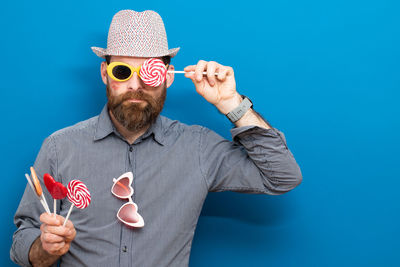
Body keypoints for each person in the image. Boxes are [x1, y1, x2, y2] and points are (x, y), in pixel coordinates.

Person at [11, 9, 302, 267]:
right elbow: (22, 244)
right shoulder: (61, 148)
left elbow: (281, 177)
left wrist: (231, 103)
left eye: (149, 73)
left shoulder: (197, 148)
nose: (135, 85)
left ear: (167, 76)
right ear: (104, 73)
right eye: (122, 71)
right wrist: (45, 249)